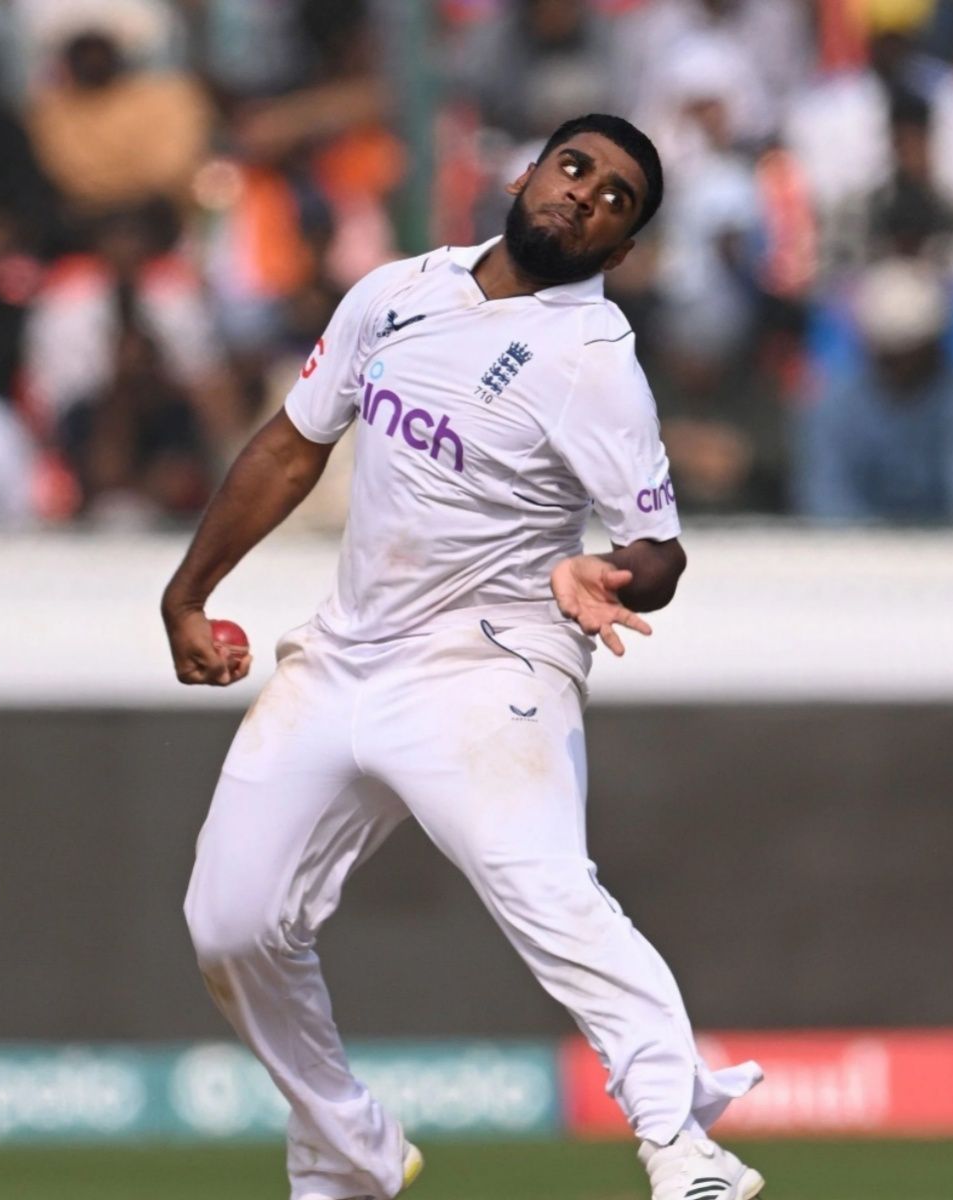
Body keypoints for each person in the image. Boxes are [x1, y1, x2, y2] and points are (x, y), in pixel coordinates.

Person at [158, 113, 765, 1200]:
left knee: (543, 887)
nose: (585, 194)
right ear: (529, 173)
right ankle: (349, 1151)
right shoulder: (392, 290)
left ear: (620, 252)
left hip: (490, 654)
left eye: (616, 198)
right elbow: (295, 444)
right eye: (575, 168)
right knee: (230, 922)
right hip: (344, 653)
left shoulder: (594, 362)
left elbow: (660, 549)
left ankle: (681, 1140)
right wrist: (190, 590)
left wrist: (609, 574)